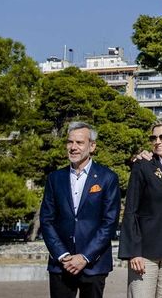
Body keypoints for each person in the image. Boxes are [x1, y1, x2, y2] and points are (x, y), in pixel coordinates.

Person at [40, 121, 121, 298]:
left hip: (94, 264)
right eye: (70, 142)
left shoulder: (108, 178)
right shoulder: (55, 178)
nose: (73, 147)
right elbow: (46, 220)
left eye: (79, 142)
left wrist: (84, 257)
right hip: (61, 264)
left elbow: (109, 222)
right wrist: (62, 255)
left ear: (92, 146)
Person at [119, 120, 162, 298]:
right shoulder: (142, 166)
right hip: (144, 253)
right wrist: (133, 252)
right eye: (154, 137)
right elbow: (131, 210)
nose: (157, 141)